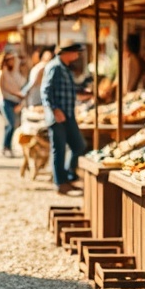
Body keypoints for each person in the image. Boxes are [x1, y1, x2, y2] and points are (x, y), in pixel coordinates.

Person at [41, 40, 87, 195]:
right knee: (59, 149)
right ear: (67, 53)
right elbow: (46, 91)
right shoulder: (54, 67)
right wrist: (54, 110)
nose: (77, 55)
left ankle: (67, 176)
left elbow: (70, 90)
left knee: (78, 146)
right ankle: (60, 183)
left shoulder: (65, 69)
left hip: (68, 114)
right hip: (58, 116)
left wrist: (86, 94)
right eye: (76, 51)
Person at [0, 52, 26, 157]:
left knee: (10, 125)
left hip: (14, 100)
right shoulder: (1, 73)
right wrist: (15, 94)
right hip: (5, 101)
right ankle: (6, 147)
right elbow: (1, 89)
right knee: (11, 124)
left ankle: (7, 146)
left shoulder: (12, 72)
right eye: (10, 59)